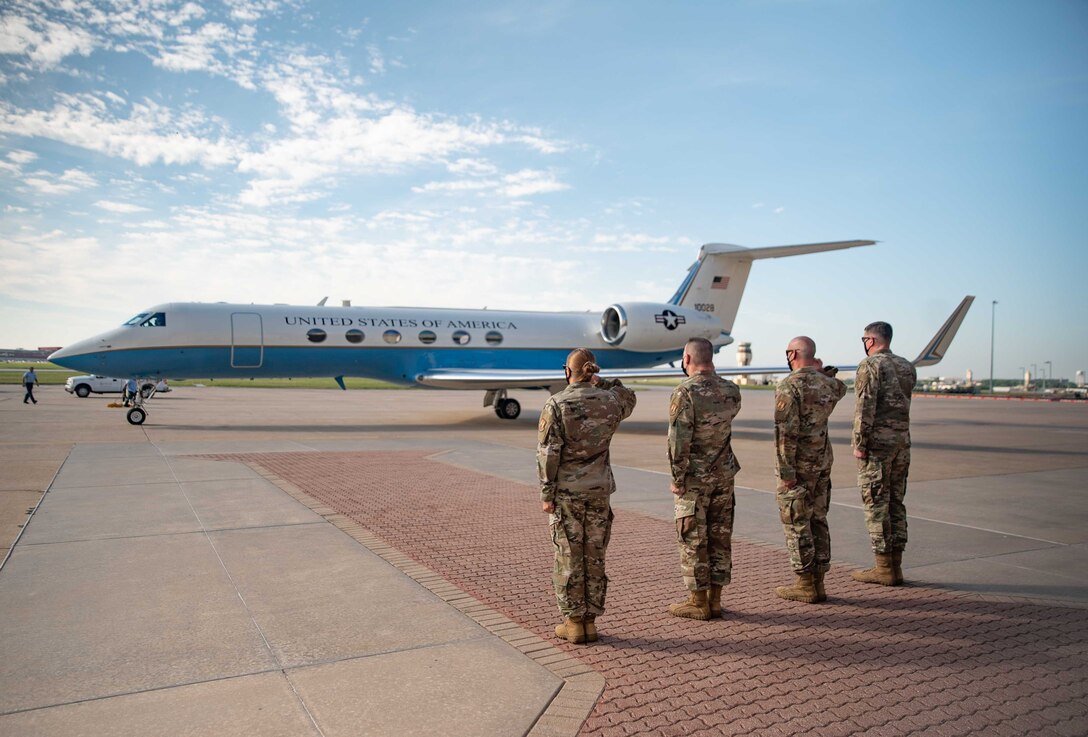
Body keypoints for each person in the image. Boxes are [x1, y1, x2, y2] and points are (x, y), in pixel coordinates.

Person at [538, 348, 637, 645]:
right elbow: (629, 396)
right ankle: (590, 622)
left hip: (567, 493)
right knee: (594, 555)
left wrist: (547, 493)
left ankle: (573, 622)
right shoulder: (610, 402)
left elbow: (548, 454)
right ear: (592, 371)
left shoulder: (557, 404)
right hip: (599, 491)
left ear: (567, 371)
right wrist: (603, 382)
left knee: (568, 556)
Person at [667, 337, 742, 620]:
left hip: (695, 479)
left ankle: (698, 601)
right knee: (720, 537)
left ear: (687, 359)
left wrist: (677, 478)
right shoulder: (731, 390)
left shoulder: (685, 393)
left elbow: (678, 442)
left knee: (693, 538)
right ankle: (716, 600)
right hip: (724, 473)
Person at [773, 336, 847, 603]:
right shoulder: (828, 385)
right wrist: (823, 372)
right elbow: (841, 388)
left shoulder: (788, 386)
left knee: (796, 523)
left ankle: (805, 583)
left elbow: (785, 435)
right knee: (818, 519)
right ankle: (819, 581)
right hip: (822, 463)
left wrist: (786, 474)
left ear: (792, 355)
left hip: (799, 466)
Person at [851, 321, 916, 586]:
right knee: (896, 502)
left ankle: (883, 568)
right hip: (901, 443)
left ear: (871, 340)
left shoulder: (870, 366)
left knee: (876, 503)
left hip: (877, 445)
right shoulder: (906, 366)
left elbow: (864, 407)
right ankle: (896, 565)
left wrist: (860, 443)